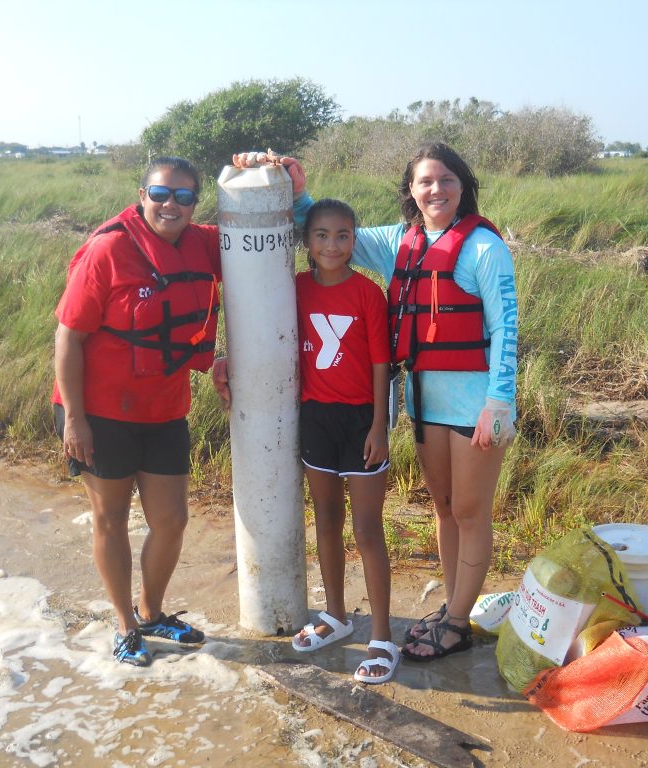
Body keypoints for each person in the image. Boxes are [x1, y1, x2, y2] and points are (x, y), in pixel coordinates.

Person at [243, 143, 517, 663]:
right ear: (411, 191)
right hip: (424, 400)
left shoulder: (485, 248)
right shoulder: (399, 242)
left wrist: (499, 401)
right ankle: (452, 607)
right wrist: (292, 182)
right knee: (442, 508)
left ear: (463, 185)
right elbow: (325, 231)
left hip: (477, 403)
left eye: (447, 180)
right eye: (425, 182)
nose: (436, 190)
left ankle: (457, 621)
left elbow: (507, 325)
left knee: (469, 509)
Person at [53, 155, 304, 666]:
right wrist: (75, 419)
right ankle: (126, 626)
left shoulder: (203, 242)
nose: (172, 205)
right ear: (142, 193)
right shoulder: (108, 251)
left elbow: (267, 242)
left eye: (184, 197)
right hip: (100, 413)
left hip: (164, 409)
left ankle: (152, 611)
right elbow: (68, 338)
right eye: (161, 194)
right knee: (111, 519)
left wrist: (284, 179)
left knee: (171, 520)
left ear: (196, 203)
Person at [212, 198, 398, 683]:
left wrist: (380, 426)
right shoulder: (292, 289)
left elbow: (382, 365)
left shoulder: (368, 294)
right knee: (327, 519)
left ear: (353, 241)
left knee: (367, 529)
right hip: (314, 417)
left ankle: (381, 636)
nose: (331, 245)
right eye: (321, 235)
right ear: (306, 241)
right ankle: (337, 615)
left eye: (341, 235)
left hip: (361, 421)